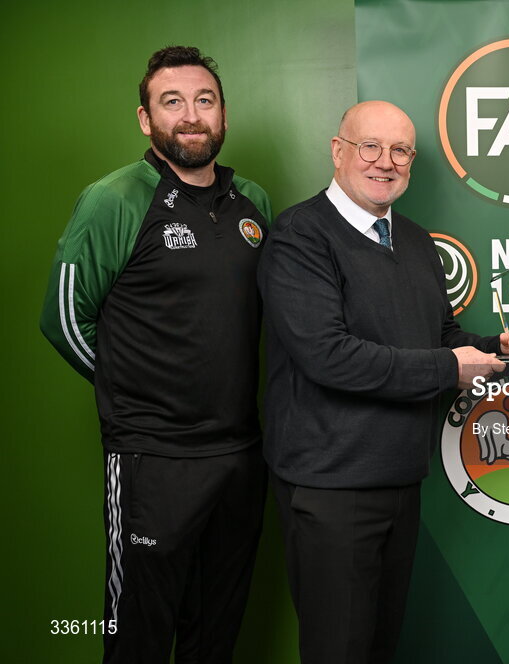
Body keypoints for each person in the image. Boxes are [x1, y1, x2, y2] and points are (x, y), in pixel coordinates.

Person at [257, 100, 509, 664]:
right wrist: (449, 369)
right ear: (338, 151)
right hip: (329, 489)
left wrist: (500, 349)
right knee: (338, 651)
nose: (385, 162)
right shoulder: (299, 236)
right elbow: (328, 356)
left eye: (400, 151)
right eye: (370, 146)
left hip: (400, 481)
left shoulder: (416, 241)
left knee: (379, 648)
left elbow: (439, 337)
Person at [39, 46, 271, 662]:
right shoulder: (114, 200)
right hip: (152, 459)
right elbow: (62, 319)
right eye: (172, 102)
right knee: (137, 638)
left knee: (214, 636)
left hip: (241, 458)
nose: (191, 115)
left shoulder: (253, 203)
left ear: (223, 114)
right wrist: (133, 391)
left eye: (204, 100)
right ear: (146, 120)